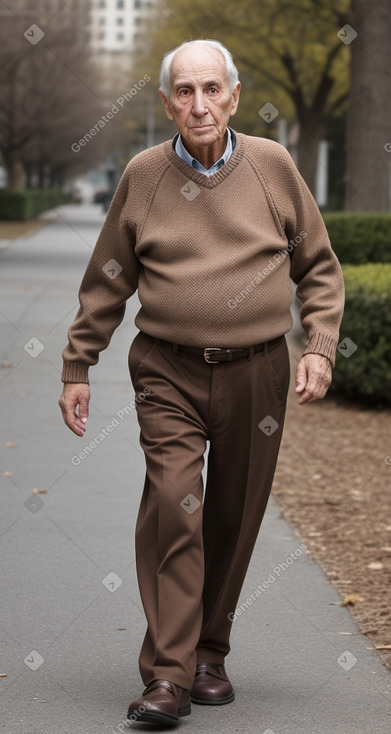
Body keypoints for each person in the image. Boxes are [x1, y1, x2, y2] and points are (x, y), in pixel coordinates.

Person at [59, 38, 344, 727]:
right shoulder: (144, 174)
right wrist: (78, 362)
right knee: (174, 506)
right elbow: (108, 279)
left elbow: (319, 268)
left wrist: (321, 349)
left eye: (211, 89)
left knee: (231, 515)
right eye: (184, 92)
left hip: (258, 372)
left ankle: (209, 652)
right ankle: (168, 674)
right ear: (166, 103)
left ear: (235, 96)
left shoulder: (272, 168)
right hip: (167, 371)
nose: (199, 104)